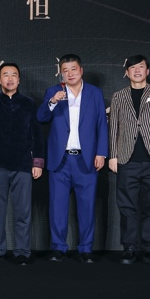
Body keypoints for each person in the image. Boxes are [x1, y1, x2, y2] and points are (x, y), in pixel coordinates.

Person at [37, 53, 108, 263]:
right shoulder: (53, 91)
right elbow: (41, 117)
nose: (69, 74)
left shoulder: (94, 93)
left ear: (81, 70)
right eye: (65, 71)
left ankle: (85, 248)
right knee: (57, 207)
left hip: (86, 159)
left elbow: (101, 124)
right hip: (60, 160)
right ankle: (58, 247)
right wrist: (52, 102)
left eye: (73, 69)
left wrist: (101, 152)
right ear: (61, 73)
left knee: (87, 207)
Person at [108, 55, 150, 266]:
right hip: (127, 159)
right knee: (127, 206)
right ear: (126, 72)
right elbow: (113, 128)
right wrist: (113, 156)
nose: (137, 70)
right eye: (132, 67)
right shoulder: (118, 96)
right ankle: (129, 248)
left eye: (141, 67)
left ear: (148, 71)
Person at [0, 62, 45, 265]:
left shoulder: (28, 103)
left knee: (23, 211)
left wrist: (38, 162)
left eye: (14, 75)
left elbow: (37, 134)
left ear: (19, 80)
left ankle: (22, 251)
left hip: (22, 163)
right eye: (5, 74)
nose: (10, 78)